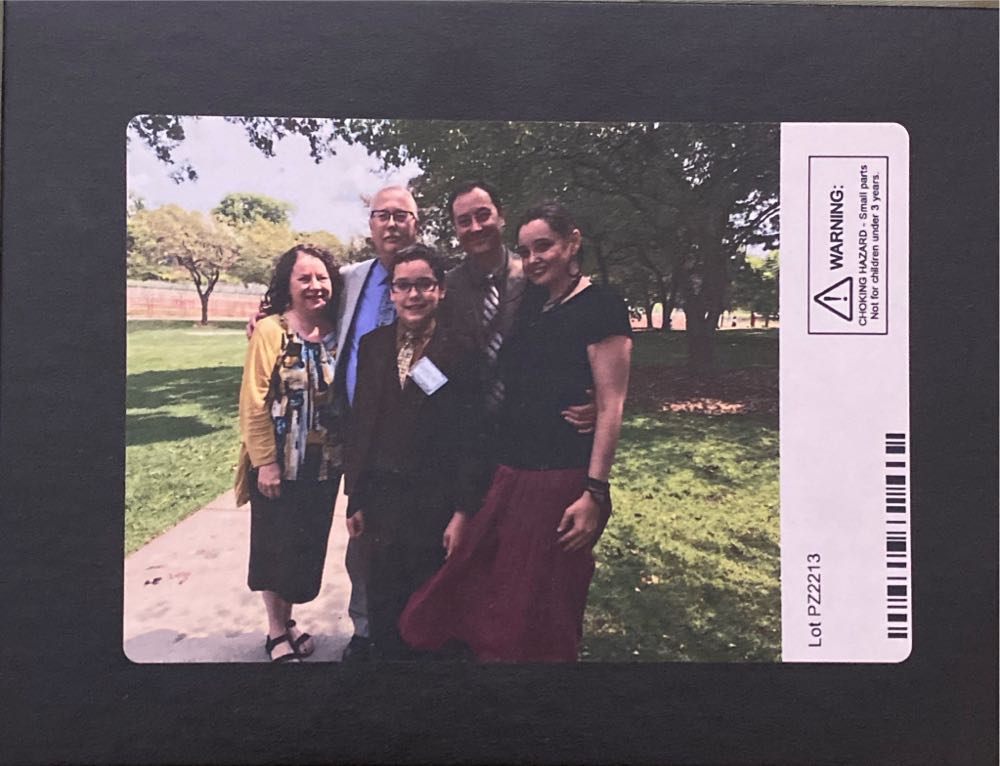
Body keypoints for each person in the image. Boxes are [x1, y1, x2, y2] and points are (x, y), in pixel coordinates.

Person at [400, 201, 633, 661]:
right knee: (487, 593)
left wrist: (594, 493)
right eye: (525, 251)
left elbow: (612, 405)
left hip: (559, 478)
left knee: (542, 608)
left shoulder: (601, 306)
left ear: (573, 242)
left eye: (544, 246)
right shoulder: (533, 303)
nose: (534, 259)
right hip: (508, 471)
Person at [343, 244, 487, 659]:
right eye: (403, 286)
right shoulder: (373, 345)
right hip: (381, 502)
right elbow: (362, 425)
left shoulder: (462, 349)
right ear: (391, 293)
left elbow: (473, 436)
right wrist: (356, 498)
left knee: (431, 610)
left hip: (435, 504)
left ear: (440, 290)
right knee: (384, 604)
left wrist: (463, 511)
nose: (413, 295)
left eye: (424, 285)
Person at [235, 244, 345, 662]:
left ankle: (289, 620)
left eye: (322, 277)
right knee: (274, 549)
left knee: (302, 552)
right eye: (304, 278)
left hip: (323, 467)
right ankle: (276, 631)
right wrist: (265, 462)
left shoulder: (339, 330)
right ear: (288, 284)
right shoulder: (271, 330)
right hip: (278, 466)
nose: (315, 285)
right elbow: (253, 401)